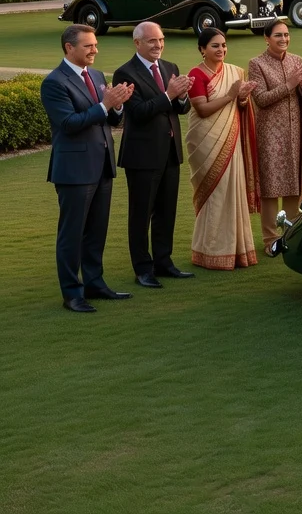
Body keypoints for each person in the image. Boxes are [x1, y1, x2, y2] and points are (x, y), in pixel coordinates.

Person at [41, 24, 133, 312]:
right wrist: (105, 105)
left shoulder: (94, 74)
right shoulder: (54, 82)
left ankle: (94, 282)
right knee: (72, 233)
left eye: (95, 45)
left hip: (102, 165)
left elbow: (110, 120)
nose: (95, 50)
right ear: (69, 48)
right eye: (88, 45)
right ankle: (72, 293)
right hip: (74, 169)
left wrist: (117, 106)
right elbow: (68, 124)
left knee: (96, 230)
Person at [113, 22, 195, 289]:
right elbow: (137, 112)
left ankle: (164, 262)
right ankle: (142, 269)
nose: (158, 45)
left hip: (170, 153)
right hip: (142, 155)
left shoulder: (170, 67)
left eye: (160, 40)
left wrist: (182, 97)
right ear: (137, 43)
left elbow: (180, 109)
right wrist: (169, 94)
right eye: (152, 41)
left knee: (166, 211)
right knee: (141, 214)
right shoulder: (125, 73)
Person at [186, 28, 259, 271]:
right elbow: (203, 110)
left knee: (232, 190)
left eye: (223, 45)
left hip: (231, 137)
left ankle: (236, 250)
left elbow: (239, 105)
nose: (221, 50)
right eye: (215, 46)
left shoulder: (234, 72)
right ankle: (209, 251)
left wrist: (242, 98)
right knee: (214, 194)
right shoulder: (196, 75)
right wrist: (230, 95)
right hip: (206, 142)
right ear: (202, 49)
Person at [248, 21, 302, 256]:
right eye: (278, 35)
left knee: (293, 183)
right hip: (270, 132)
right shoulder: (257, 64)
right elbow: (260, 99)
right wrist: (290, 85)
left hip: (296, 130)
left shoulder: (296, 60)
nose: (284, 39)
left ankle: (291, 234)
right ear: (266, 38)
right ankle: (270, 239)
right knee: (271, 186)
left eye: (287, 35)